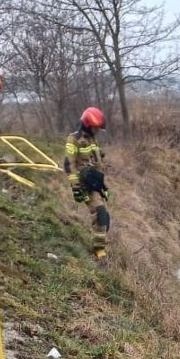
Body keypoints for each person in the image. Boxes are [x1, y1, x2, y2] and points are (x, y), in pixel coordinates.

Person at [64, 107, 110, 260]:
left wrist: (102, 184)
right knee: (100, 213)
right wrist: (75, 187)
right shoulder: (74, 139)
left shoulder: (92, 139)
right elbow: (69, 165)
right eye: (96, 128)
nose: (97, 131)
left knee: (105, 217)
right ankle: (99, 251)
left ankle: (100, 242)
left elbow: (97, 159)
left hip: (95, 182)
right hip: (84, 185)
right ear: (89, 125)